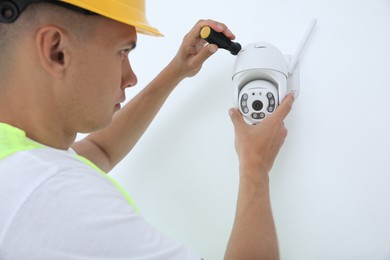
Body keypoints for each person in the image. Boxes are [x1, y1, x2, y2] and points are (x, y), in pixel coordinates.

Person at [0, 0, 294, 259]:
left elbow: (96, 151)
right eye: (122, 52)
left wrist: (177, 70)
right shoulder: (49, 196)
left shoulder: (18, 161)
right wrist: (255, 168)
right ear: (57, 51)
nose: (131, 77)